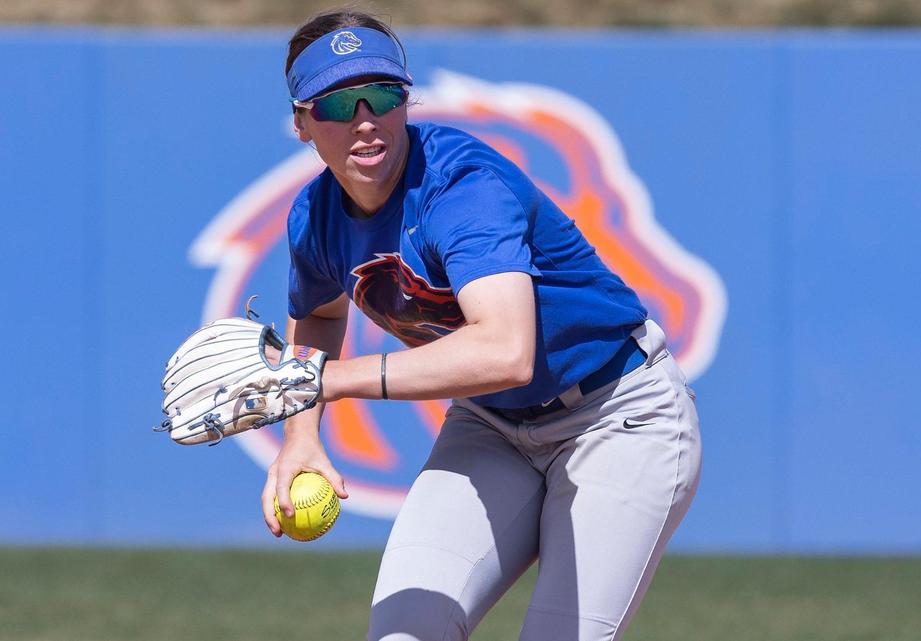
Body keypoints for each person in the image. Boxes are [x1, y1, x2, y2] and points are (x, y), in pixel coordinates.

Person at [261, 10, 702, 641]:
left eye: (383, 94)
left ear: (405, 100)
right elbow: (320, 316)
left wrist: (330, 381)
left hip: (618, 415)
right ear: (302, 122)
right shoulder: (316, 216)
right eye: (336, 104)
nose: (365, 119)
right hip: (490, 426)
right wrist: (301, 437)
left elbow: (506, 350)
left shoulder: (463, 186)